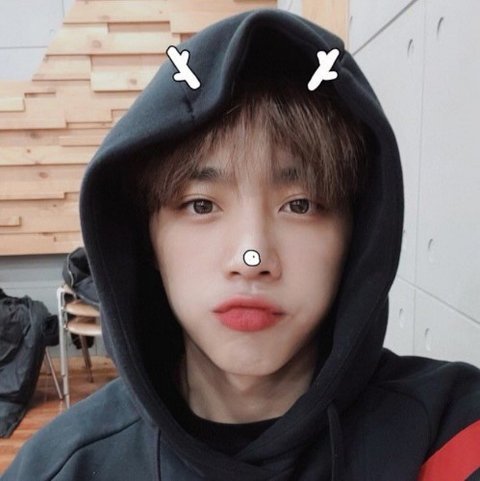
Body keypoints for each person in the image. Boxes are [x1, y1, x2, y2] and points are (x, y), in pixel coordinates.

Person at [2, 8, 479, 481]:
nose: (252, 258)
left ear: (356, 234)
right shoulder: (59, 469)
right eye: (201, 205)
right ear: (148, 239)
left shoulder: (450, 433)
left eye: (300, 204)